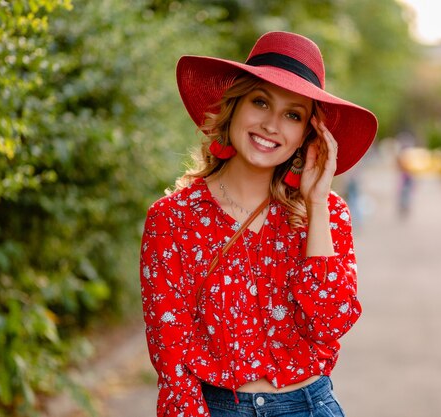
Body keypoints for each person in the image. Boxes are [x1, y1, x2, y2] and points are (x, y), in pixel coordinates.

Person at [140, 31, 377, 417]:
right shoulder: (173, 218)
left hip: (309, 405)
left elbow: (330, 322)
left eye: (292, 115)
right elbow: (172, 360)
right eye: (261, 102)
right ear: (233, 107)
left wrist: (316, 202)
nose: (271, 124)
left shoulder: (326, 212)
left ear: (308, 135)